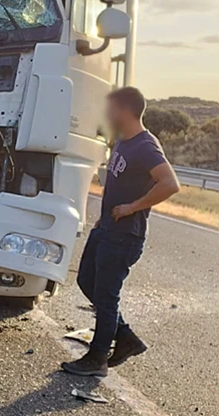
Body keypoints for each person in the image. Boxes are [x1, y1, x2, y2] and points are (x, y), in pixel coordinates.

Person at [62, 86, 181, 377]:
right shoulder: (122, 141)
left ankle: (98, 359)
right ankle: (125, 337)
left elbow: (170, 183)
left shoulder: (145, 145)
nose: (107, 114)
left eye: (111, 108)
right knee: (88, 282)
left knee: (106, 295)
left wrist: (133, 207)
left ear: (125, 110)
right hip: (107, 229)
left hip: (125, 235)